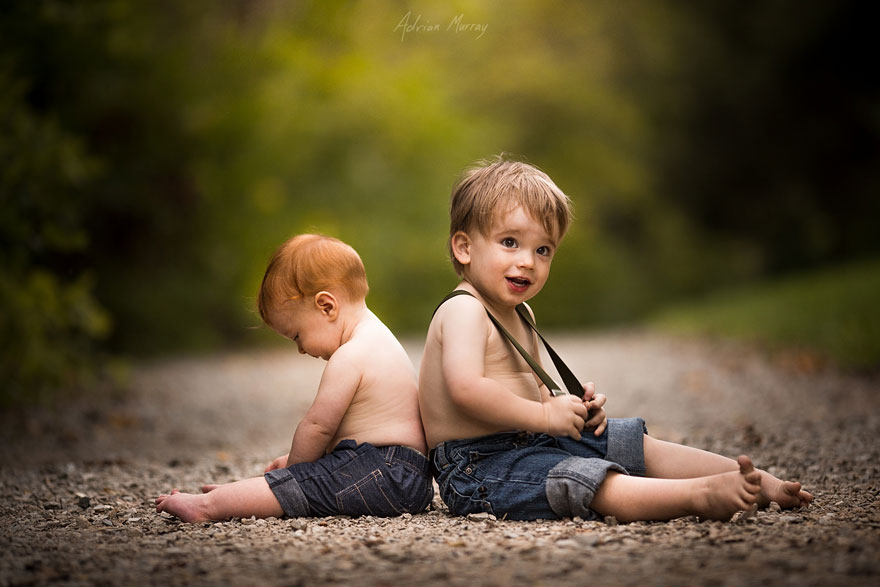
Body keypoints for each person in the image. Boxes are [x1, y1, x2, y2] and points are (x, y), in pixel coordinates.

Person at [419, 157, 812, 522]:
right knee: (585, 479)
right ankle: (698, 495)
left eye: (543, 250)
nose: (528, 261)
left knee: (626, 442)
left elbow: (536, 391)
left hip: (528, 441)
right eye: (510, 243)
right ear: (464, 247)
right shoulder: (464, 310)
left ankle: (759, 481)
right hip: (476, 468)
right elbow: (466, 388)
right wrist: (543, 417)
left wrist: (566, 407)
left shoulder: (520, 312)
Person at [156, 234, 432, 522]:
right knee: (306, 482)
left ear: (327, 306)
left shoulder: (351, 354)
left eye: (297, 336)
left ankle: (209, 506)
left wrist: (291, 474)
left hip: (384, 473)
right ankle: (238, 497)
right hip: (404, 475)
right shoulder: (380, 339)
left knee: (298, 487)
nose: (300, 350)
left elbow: (317, 427)